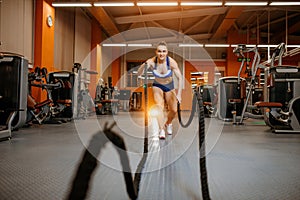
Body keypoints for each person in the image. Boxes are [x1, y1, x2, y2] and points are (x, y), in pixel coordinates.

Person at [137, 41, 183, 139]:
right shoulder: (151, 62)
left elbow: (180, 78)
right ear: (156, 52)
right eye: (159, 51)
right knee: (159, 106)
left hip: (169, 85)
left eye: (163, 51)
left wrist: (179, 94)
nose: (161, 54)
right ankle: (161, 129)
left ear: (167, 52)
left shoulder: (171, 62)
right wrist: (143, 65)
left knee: (174, 110)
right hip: (157, 85)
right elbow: (139, 74)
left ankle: (168, 123)